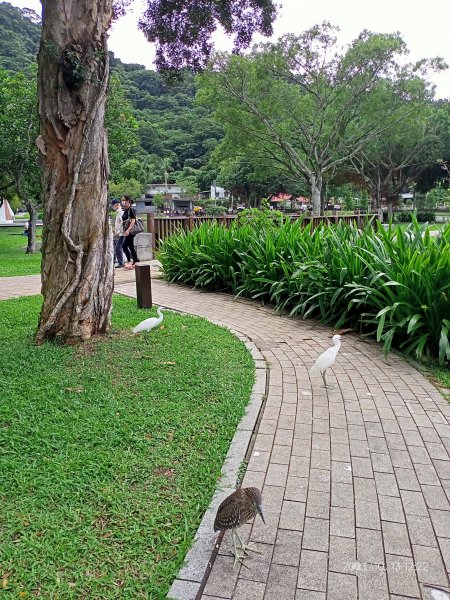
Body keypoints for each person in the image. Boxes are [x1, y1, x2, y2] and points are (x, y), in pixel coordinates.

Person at [121, 195, 139, 268]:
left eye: (124, 200)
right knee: (131, 246)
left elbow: (133, 220)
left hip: (131, 231)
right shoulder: (126, 209)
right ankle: (135, 261)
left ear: (128, 201)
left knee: (124, 246)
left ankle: (129, 261)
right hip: (127, 230)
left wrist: (128, 230)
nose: (123, 202)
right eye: (122, 200)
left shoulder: (131, 209)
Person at [111, 199, 129, 268]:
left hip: (122, 233)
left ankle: (121, 263)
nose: (112, 206)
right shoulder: (119, 211)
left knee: (118, 247)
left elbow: (123, 223)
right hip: (120, 233)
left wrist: (118, 232)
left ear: (117, 204)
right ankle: (135, 259)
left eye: (113, 205)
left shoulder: (121, 212)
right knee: (121, 247)